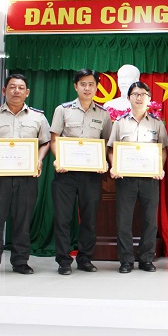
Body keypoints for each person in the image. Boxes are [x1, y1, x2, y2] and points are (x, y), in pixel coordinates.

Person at [0, 74, 51, 277]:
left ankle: (20, 262)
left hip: (26, 178)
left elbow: (45, 142)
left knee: (22, 222)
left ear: (27, 92)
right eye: (12, 87)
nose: (16, 91)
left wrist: (39, 159)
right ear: (4, 90)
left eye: (21, 87)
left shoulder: (38, 117)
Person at [49, 69, 113, 275]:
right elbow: (54, 139)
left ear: (97, 87)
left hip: (91, 175)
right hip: (66, 173)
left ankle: (85, 258)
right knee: (63, 218)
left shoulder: (103, 114)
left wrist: (104, 162)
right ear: (75, 86)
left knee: (89, 218)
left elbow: (106, 143)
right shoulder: (63, 110)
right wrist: (59, 159)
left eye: (91, 84)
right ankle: (63, 260)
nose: (87, 88)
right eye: (83, 84)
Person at [107, 82, 168, 274]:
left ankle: (146, 259)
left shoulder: (157, 123)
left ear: (149, 98)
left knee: (150, 220)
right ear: (129, 98)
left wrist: (160, 167)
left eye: (143, 94)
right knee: (124, 220)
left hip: (150, 178)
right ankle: (126, 260)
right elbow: (111, 149)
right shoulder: (120, 123)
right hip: (126, 178)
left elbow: (163, 149)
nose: (139, 98)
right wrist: (115, 165)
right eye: (135, 94)